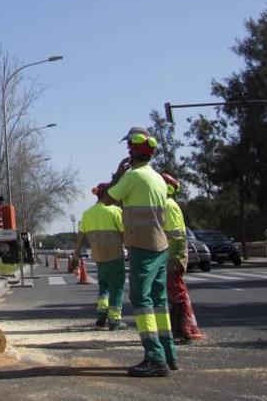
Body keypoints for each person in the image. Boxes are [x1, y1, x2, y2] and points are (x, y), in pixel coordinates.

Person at [102, 126, 177, 377]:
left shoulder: (133, 177)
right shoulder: (157, 178)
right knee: (159, 301)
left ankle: (155, 358)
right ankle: (168, 353)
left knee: (141, 300)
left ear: (132, 152)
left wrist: (117, 174)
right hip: (161, 246)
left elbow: (107, 199)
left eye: (128, 149)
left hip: (143, 248)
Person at [73, 184, 127, 330]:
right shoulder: (115, 211)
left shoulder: (87, 213)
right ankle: (114, 320)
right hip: (115, 255)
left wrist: (75, 255)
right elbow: (124, 234)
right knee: (117, 287)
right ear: (106, 195)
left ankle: (101, 317)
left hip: (99, 257)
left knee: (103, 286)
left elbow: (80, 237)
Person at [161, 174, 206, 342]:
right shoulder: (170, 204)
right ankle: (178, 329)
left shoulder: (167, 205)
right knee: (174, 290)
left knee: (176, 290)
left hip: (174, 254)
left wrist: (171, 257)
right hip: (174, 253)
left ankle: (183, 330)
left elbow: (173, 234)